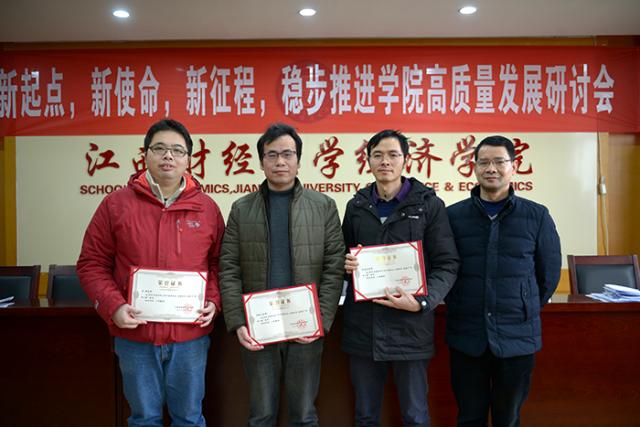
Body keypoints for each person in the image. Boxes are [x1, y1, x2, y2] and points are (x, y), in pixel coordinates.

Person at [77, 119, 225, 427]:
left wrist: (214, 300)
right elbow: (92, 263)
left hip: (190, 337)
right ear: (145, 154)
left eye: (177, 150)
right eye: (159, 148)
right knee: (144, 420)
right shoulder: (116, 204)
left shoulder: (207, 208)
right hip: (136, 336)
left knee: (189, 419)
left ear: (188, 159)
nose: (168, 156)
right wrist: (113, 307)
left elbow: (219, 264)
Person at [219, 123, 344, 426]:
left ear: (299, 160)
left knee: (304, 414)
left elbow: (334, 266)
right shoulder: (241, 209)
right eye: (272, 155)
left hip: (306, 328)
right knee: (261, 414)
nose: (280, 162)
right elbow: (229, 267)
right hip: (259, 327)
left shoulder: (323, 206)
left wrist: (320, 321)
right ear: (261, 161)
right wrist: (238, 321)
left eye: (288, 154)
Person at [342, 129, 460, 426]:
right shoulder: (356, 207)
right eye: (378, 155)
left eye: (393, 155)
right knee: (365, 416)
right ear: (368, 161)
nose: (385, 161)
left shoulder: (429, 205)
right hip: (363, 329)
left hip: (410, 328)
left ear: (406, 160)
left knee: (415, 416)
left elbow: (447, 263)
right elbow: (342, 256)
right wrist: (345, 264)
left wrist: (422, 302)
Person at [446, 135, 561, 427]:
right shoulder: (453, 216)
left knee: (507, 419)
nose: (491, 168)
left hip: (517, 337)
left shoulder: (536, 216)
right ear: (474, 167)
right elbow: (443, 268)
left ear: (514, 166)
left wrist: (524, 304)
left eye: (499, 162)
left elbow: (548, 275)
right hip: (467, 335)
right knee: (469, 417)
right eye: (483, 162)